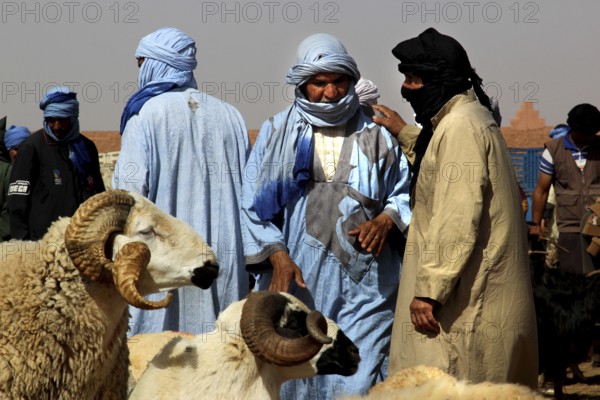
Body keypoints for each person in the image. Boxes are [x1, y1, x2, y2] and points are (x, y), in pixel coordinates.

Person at [241, 33, 412, 398]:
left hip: (367, 285)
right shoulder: (276, 133)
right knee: (297, 376)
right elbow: (252, 205)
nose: (331, 93)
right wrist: (277, 255)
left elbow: (404, 193)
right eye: (319, 83)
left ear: (351, 81)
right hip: (299, 281)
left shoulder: (377, 134)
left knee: (357, 376)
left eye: (339, 82)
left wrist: (385, 220)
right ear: (303, 84)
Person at [373, 28, 538, 389]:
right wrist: (405, 133)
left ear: (439, 80)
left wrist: (429, 291)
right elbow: (440, 164)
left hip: (464, 304)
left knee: (448, 384)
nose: (406, 88)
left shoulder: (461, 127)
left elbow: (458, 217)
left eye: (414, 80)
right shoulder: (466, 118)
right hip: (475, 295)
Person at [113, 28, 250, 335]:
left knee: (157, 356)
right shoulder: (232, 117)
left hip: (165, 262)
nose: (140, 73)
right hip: (224, 258)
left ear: (156, 64)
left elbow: (128, 199)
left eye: (141, 64)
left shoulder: (144, 116)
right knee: (222, 352)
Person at [7, 87, 105, 240]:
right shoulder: (32, 147)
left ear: (73, 118)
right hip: (42, 243)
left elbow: (98, 195)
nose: (57, 126)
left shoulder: (86, 148)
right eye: (51, 120)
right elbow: (17, 201)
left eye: (62, 120)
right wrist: (22, 243)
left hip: (82, 240)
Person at [530, 104, 600, 275]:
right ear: (574, 129)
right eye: (586, 133)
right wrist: (535, 224)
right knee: (572, 282)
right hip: (569, 229)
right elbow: (542, 191)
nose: (590, 137)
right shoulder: (553, 151)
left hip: (598, 226)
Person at [0, 125, 31, 240]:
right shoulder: (7, 172)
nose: (21, 152)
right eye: (16, 149)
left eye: (24, 147)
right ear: (8, 150)